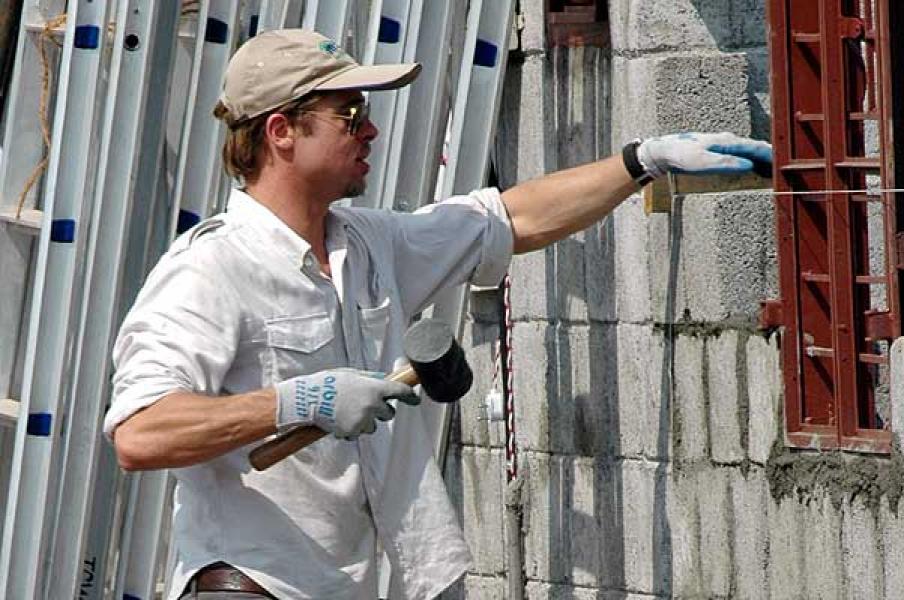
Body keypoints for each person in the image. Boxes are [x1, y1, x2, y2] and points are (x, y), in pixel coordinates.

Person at [104, 29, 771, 600]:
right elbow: (140, 434)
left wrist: (641, 161)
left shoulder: (368, 246)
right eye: (349, 113)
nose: (370, 128)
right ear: (281, 131)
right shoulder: (210, 270)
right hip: (254, 587)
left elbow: (513, 216)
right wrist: (297, 400)